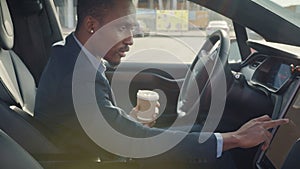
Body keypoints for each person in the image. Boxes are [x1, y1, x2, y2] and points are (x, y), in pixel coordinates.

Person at [34, 0, 288, 168]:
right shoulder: (76, 78)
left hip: (97, 153)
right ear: (92, 25)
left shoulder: (70, 57)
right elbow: (133, 140)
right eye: (123, 28)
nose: (131, 40)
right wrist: (233, 138)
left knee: (197, 131)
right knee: (221, 158)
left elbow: (95, 124)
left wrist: (128, 120)